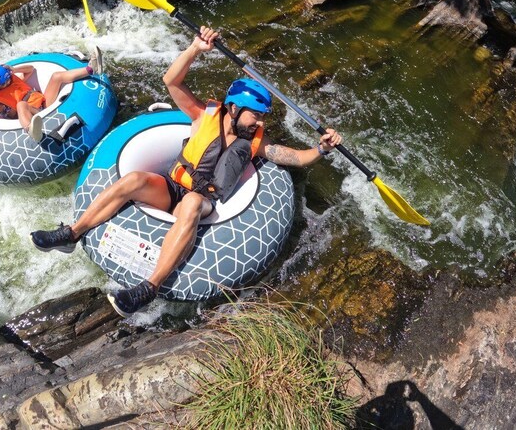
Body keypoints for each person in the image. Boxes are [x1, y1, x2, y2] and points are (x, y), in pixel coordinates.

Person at [30, 28, 342, 316]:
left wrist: (321, 149)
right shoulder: (202, 115)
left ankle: (148, 289)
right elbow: (171, 81)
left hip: (203, 201)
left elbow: (295, 158)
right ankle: (71, 233)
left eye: (262, 117)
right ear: (233, 107)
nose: (259, 122)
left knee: (192, 203)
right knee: (134, 180)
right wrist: (195, 49)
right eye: (255, 115)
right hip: (172, 186)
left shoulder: (255, 142)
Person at [0, 47, 103, 142]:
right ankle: (31, 131)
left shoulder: (12, 81)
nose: (9, 81)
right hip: (34, 114)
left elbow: (30, 69)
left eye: (9, 78)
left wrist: (14, 69)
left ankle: (91, 69)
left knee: (56, 76)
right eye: (5, 82)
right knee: (21, 104)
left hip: (44, 104)